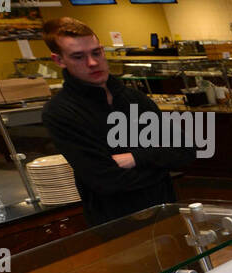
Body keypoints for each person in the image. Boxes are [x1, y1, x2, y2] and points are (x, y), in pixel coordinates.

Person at [41, 17, 196, 227]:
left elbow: (185, 150)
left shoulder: (133, 98)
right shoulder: (61, 111)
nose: (92, 63)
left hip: (167, 212)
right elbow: (106, 181)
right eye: (78, 57)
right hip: (116, 224)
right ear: (59, 61)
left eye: (96, 52)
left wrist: (135, 158)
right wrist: (160, 164)